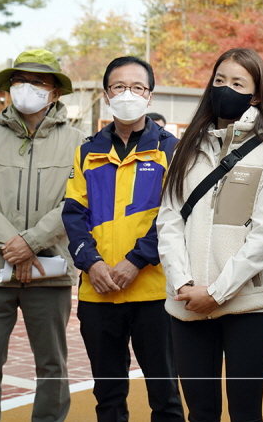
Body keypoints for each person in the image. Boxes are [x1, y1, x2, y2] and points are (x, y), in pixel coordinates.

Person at [156, 47, 263, 422]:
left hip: (248, 305)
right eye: (219, 80)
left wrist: (216, 292)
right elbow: (168, 220)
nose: (225, 89)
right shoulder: (188, 146)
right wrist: (183, 283)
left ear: (257, 94)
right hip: (187, 302)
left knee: (245, 412)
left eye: (237, 83)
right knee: (200, 410)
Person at [0, 49, 85, 422]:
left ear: (56, 92)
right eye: (20, 80)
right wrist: (16, 246)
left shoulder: (78, 141)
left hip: (50, 273)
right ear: (10, 87)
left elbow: (76, 202)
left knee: (53, 367)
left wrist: (31, 244)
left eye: (39, 81)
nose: (27, 88)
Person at [62, 56, 184, 422]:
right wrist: (91, 262)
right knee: (108, 395)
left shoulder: (172, 149)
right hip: (97, 292)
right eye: (119, 87)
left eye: (137, 87)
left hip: (154, 292)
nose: (127, 94)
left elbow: (174, 214)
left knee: (165, 393)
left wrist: (136, 261)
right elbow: (72, 213)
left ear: (149, 96)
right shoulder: (87, 151)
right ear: (105, 94)